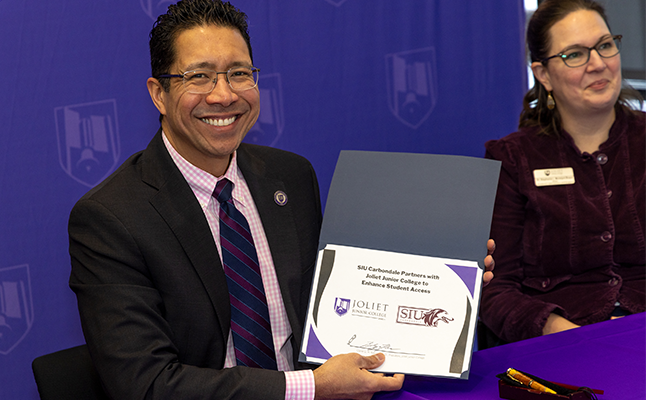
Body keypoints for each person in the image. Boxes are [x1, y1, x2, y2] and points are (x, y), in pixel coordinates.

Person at [69, 0, 494, 398]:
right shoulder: (110, 218)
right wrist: (310, 388)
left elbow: (333, 303)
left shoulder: (289, 175)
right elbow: (145, 385)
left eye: (239, 73)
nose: (224, 95)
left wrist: (443, 286)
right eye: (199, 76)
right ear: (158, 93)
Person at [481, 0, 644, 345]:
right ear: (543, 74)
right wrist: (567, 337)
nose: (598, 64)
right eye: (574, 54)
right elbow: (496, 290)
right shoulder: (511, 159)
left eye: (604, 46)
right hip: (562, 345)